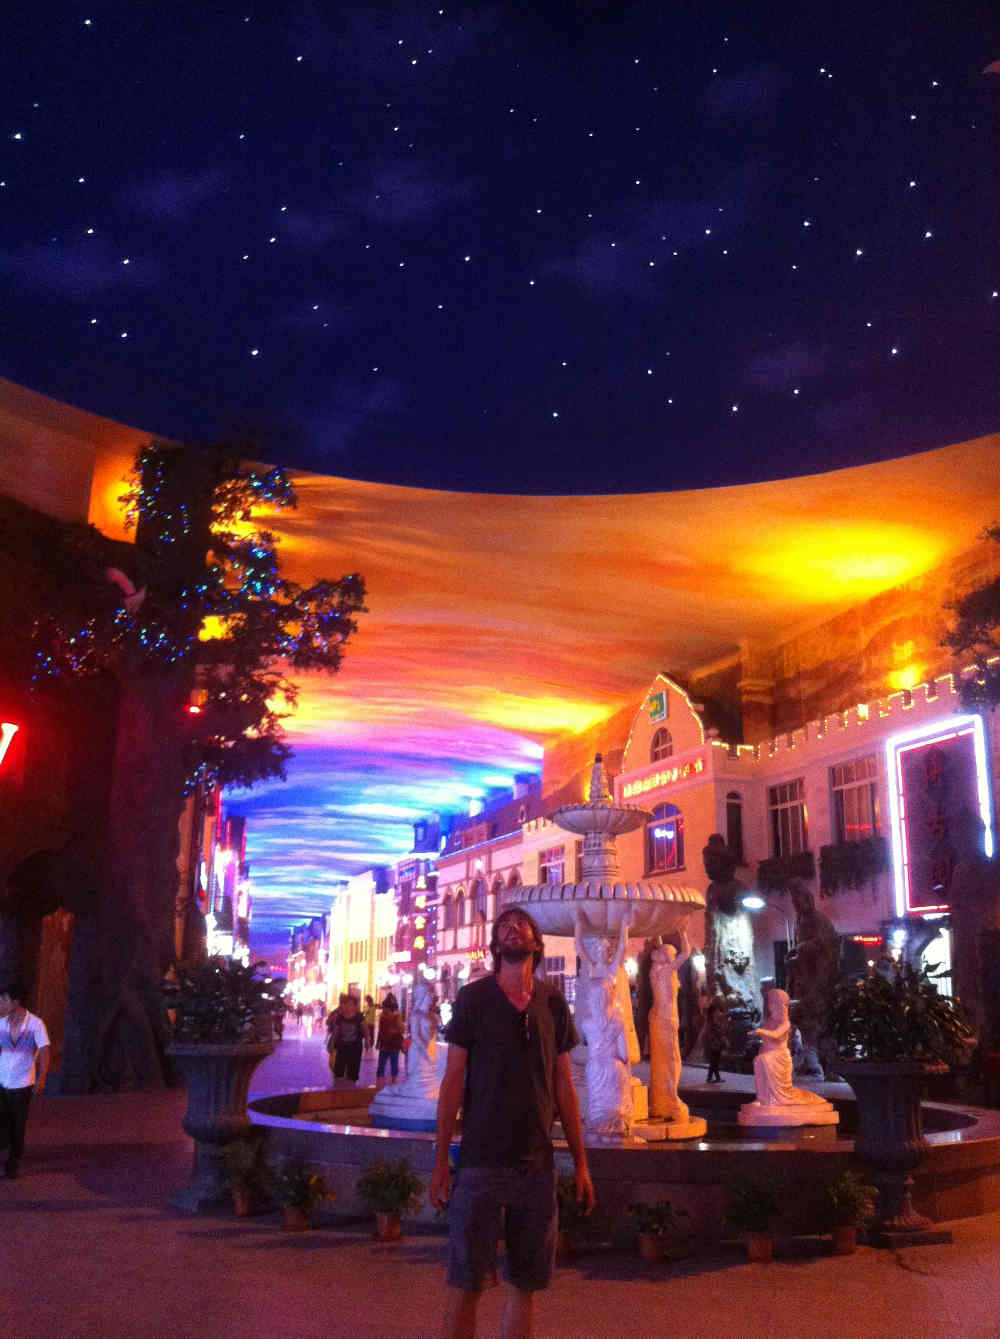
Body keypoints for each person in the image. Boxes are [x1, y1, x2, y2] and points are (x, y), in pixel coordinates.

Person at [430, 906, 593, 1339]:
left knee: (526, 1283)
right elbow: (452, 1081)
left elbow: (564, 1086)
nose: (512, 927)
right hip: (480, 1160)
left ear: (536, 944)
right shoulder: (473, 999)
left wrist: (580, 1162)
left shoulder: (552, 1001)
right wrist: (442, 1160)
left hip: (536, 1164)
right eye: (503, 925)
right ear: (495, 946)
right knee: (466, 1282)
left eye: (521, 924)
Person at [0, 980, 50, 1179]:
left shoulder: (36, 1024)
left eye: (3, 1000)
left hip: (22, 1084)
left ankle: (14, 1160)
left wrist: (42, 1078)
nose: (0, 1004)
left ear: (16, 1001)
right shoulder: (1, 1023)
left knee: (18, 1123)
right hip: (2, 1082)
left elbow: (45, 1051)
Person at [648, 928, 693, 1122]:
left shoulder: (657, 970)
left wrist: (657, 926)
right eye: (671, 954)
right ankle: (671, 1097)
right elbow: (686, 953)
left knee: (663, 1061)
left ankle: (660, 1100)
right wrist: (683, 932)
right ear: (668, 958)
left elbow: (659, 946)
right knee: (672, 1060)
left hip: (659, 1018)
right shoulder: (666, 972)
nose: (674, 957)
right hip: (666, 1019)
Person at [326, 993, 365, 1083]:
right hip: (341, 1045)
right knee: (338, 1066)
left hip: (355, 1047)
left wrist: (368, 1039)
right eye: (345, 1003)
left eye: (350, 1004)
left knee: (352, 1068)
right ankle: (339, 1080)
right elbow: (332, 1027)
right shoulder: (338, 1014)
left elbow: (364, 1027)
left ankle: (349, 1082)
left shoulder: (359, 1016)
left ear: (355, 1006)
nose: (347, 1007)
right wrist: (332, 1043)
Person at [375, 993, 405, 1088]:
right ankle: (388, 1079)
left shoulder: (395, 1016)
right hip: (388, 1043)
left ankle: (388, 1079)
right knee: (388, 1061)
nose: (383, 1009)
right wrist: (378, 1041)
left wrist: (379, 1041)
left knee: (388, 1061)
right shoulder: (385, 1016)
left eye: (384, 1007)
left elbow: (401, 1029)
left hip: (390, 1042)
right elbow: (381, 1029)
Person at [705, 996, 728, 1083]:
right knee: (715, 1060)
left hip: (713, 1041)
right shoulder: (714, 1017)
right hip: (715, 1041)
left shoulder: (711, 1017)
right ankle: (711, 1077)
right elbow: (717, 1029)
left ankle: (712, 1077)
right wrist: (722, 1037)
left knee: (714, 1060)